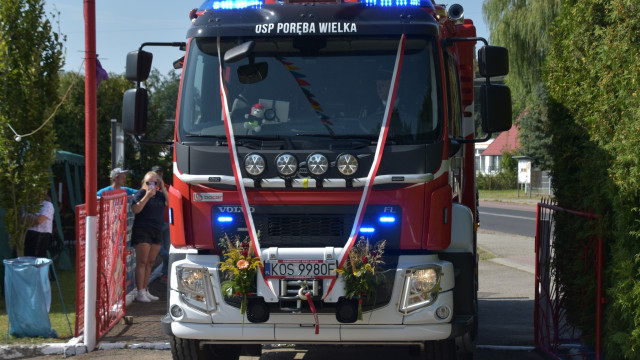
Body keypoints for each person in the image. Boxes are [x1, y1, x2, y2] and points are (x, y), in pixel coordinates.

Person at [131, 171, 169, 302]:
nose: (152, 185)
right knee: (142, 262)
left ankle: (145, 289)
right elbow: (136, 209)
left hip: (156, 230)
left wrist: (163, 187)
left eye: (155, 182)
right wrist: (147, 196)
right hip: (142, 230)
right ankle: (140, 291)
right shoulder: (140, 193)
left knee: (150, 262)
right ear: (144, 183)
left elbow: (170, 204)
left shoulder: (159, 195)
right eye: (149, 182)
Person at [152, 165, 170, 284]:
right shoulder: (150, 187)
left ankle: (165, 274)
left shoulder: (167, 187)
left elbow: (169, 202)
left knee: (167, 251)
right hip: (155, 223)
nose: (159, 175)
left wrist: (162, 186)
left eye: (160, 173)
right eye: (156, 173)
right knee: (160, 250)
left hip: (167, 222)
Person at [24, 193, 54, 258]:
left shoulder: (47, 205)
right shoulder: (27, 204)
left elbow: (38, 221)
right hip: (27, 233)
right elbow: (22, 220)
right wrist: (33, 220)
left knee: (37, 258)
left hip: (41, 235)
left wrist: (28, 220)